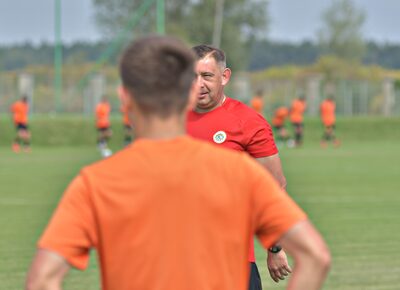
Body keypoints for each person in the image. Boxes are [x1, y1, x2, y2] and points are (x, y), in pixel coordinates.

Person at [26, 36, 330, 290]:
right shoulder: (238, 173)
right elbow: (315, 256)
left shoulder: (97, 182)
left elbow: (43, 279)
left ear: (123, 97)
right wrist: (276, 247)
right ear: (185, 96)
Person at [187, 44, 289, 290]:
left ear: (225, 77)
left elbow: (275, 188)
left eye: (207, 76)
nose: (198, 84)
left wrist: (274, 246)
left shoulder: (248, 123)